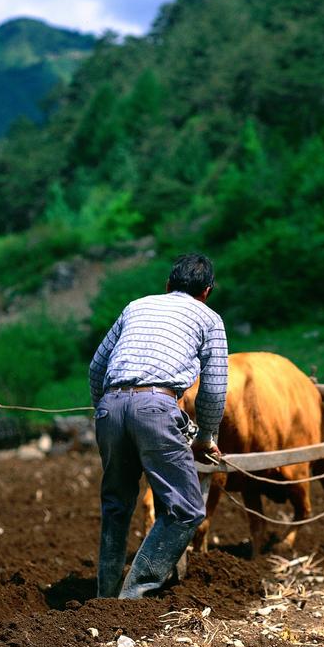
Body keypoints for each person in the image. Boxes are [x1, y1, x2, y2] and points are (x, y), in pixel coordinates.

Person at [88, 253, 228, 599]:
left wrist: (108, 409)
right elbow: (212, 389)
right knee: (186, 509)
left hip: (110, 405)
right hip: (156, 407)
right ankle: (133, 597)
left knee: (117, 504)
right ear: (207, 291)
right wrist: (206, 438)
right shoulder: (210, 319)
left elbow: (96, 367)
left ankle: (105, 596)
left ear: (167, 285)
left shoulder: (135, 306)